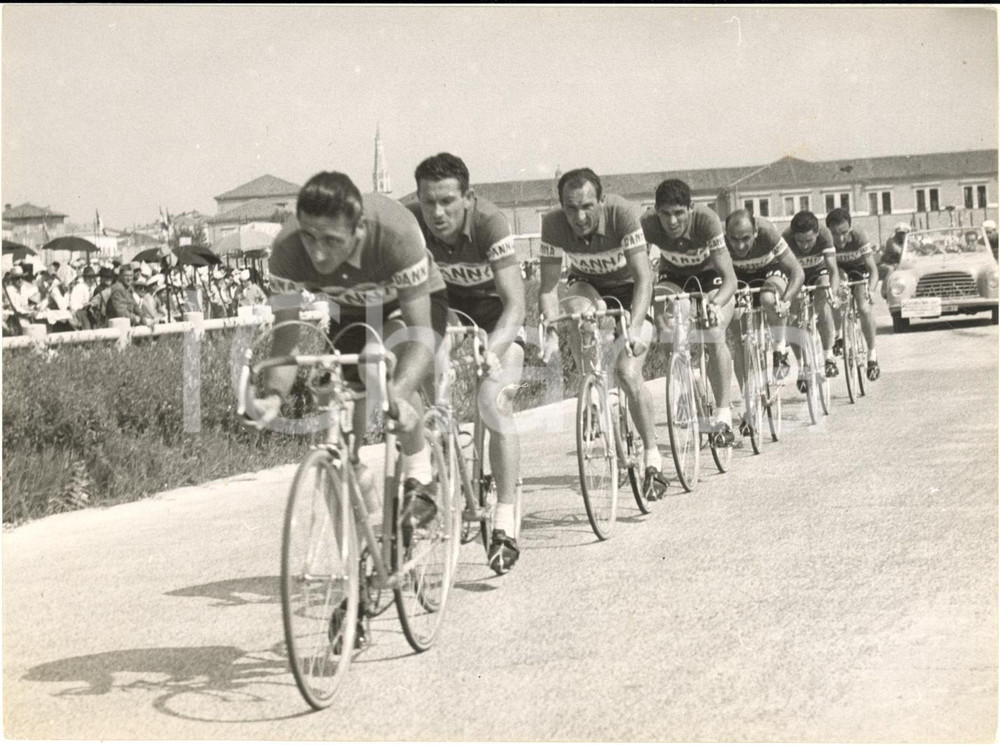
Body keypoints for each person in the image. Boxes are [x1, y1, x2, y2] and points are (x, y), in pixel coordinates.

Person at [248, 170, 450, 547]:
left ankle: (421, 472)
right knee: (332, 400)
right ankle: (365, 529)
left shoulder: (395, 232)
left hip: (410, 305)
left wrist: (398, 395)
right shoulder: (287, 250)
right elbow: (286, 337)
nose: (317, 253)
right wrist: (273, 397)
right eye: (309, 237)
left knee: (382, 365)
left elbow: (420, 335)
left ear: (359, 230)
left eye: (331, 240)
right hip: (353, 309)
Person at [409, 152, 525, 572]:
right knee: (419, 363)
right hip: (449, 310)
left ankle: (505, 519)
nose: (437, 213)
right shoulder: (412, 224)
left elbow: (515, 305)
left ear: (468, 198)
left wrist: (492, 352)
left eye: (447, 201)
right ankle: (441, 447)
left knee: (494, 403)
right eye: (428, 202)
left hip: (496, 316)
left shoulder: (490, 223)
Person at [537, 167, 667, 500]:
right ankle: (592, 389)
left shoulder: (622, 214)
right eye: (570, 208)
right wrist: (550, 332)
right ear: (561, 206)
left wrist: (634, 328)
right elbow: (548, 288)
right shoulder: (552, 224)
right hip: (587, 285)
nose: (579, 217)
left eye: (587, 206)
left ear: (602, 200)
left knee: (627, 373)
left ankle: (653, 455)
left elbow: (644, 279)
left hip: (630, 289)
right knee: (578, 313)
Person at [642, 178, 739, 446]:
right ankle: (684, 385)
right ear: (656, 211)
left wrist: (715, 304)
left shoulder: (707, 220)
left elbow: (730, 280)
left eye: (679, 213)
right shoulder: (647, 224)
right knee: (665, 326)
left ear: (691, 208)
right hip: (673, 276)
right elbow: (642, 275)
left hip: (710, 276)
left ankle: (723, 414)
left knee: (714, 333)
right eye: (665, 214)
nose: (672, 221)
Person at [723, 210, 805, 431]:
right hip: (739, 278)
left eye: (746, 238)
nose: (740, 245)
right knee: (740, 339)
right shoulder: (720, 241)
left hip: (770, 272)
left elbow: (797, 272)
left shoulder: (768, 233)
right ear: (727, 235)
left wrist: (786, 300)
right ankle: (748, 400)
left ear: (756, 232)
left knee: (768, 299)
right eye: (734, 239)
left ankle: (779, 347)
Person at [783, 211, 841, 388]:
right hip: (796, 275)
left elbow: (833, 270)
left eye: (809, 240)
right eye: (800, 241)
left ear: (816, 233)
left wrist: (833, 293)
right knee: (792, 319)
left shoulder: (824, 235)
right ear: (793, 236)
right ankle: (802, 366)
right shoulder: (785, 238)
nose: (805, 245)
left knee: (823, 300)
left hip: (818, 272)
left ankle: (828, 357)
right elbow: (784, 273)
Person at [826, 208, 880, 381]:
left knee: (864, 308)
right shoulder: (826, 240)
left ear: (850, 228)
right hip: (839, 271)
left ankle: (872, 355)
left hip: (859, 270)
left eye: (844, 233)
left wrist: (871, 291)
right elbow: (831, 271)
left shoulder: (859, 236)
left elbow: (873, 270)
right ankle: (838, 336)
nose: (840, 238)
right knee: (836, 296)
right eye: (835, 234)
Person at [878, 222, 910, 290]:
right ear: (896, 233)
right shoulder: (891, 241)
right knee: (890, 269)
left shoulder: (909, 242)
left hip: (899, 264)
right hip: (887, 264)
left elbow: (919, 247)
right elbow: (899, 252)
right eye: (900, 233)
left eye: (904, 233)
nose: (902, 235)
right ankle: (886, 290)